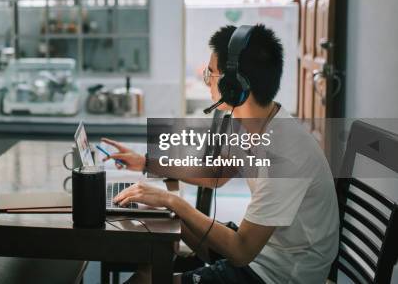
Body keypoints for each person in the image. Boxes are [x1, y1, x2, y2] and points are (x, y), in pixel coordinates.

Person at [103, 24, 339, 284]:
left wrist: (173, 201)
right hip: (266, 253)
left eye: (210, 73)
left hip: (278, 274)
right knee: (170, 222)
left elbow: (241, 251)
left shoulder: (285, 156)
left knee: (144, 280)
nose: (207, 81)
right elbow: (217, 174)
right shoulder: (249, 121)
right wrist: (148, 163)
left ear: (233, 85)